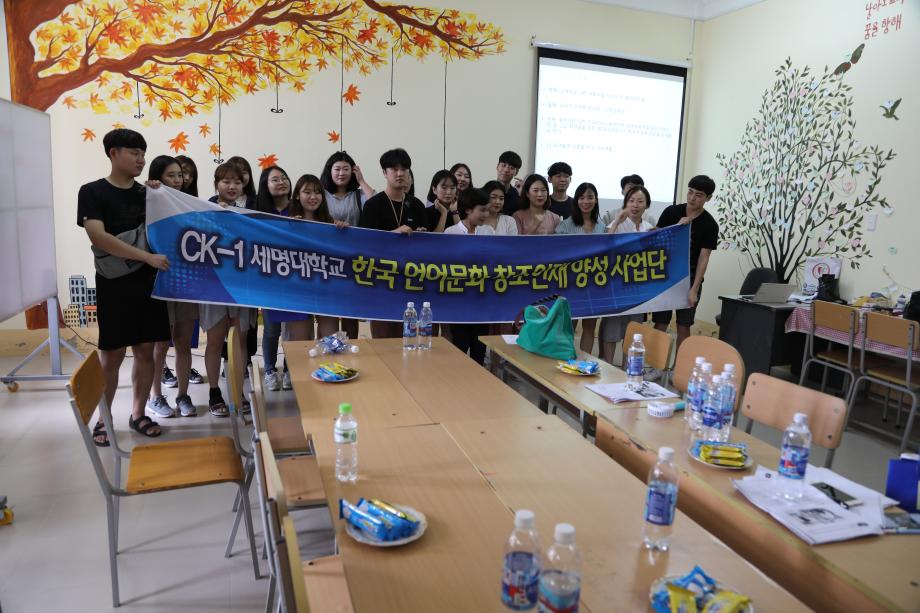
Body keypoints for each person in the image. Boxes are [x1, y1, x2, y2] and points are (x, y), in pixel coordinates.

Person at [77, 128, 170, 444]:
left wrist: (162, 190)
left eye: (143, 154)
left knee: (146, 351)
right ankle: (103, 421)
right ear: (113, 153)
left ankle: (138, 413)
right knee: (112, 355)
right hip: (113, 285)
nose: (141, 160)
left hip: (148, 283)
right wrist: (146, 257)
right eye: (134, 153)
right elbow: (98, 237)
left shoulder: (148, 194)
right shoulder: (92, 192)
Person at [144, 155, 199, 419]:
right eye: (171, 175)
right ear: (158, 177)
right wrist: (149, 190)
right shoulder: (149, 200)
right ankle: (155, 396)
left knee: (184, 343)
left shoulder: (191, 204)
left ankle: (183, 395)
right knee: (160, 346)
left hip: (187, 283)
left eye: (180, 175)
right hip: (161, 282)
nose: (178, 180)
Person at [358, 148, 432, 338]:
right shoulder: (373, 205)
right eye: (394, 169)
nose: (400, 173)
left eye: (404, 169)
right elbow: (364, 243)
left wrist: (421, 235)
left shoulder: (416, 205)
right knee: (382, 338)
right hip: (381, 279)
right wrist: (393, 234)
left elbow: (426, 245)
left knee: (407, 336)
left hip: (410, 279)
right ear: (385, 172)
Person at [200, 162, 252, 416]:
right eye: (226, 181)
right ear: (216, 184)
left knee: (240, 341)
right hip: (213, 286)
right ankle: (214, 393)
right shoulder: (202, 211)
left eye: (237, 182)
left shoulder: (248, 215)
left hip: (241, 287)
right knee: (214, 341)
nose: (232, 186)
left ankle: (238, 392)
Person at [652, 175, 719, 351]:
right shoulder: (671, 212)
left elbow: (704, 258)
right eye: (690, 192)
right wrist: (677, 228)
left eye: (699, 195)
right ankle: (655, 363)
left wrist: (694, 289)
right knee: (660, 323)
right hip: (665, 277)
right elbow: (656, 241)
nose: (692, 197)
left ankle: (679, 365)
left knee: (683, 325)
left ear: (708, 198)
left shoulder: (710, 224)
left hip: (689, 278)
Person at [255, 165, 303, 391]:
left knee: (292, 329)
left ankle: (290, 369)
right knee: (272, 328)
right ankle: (270, 370)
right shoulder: (258, 212)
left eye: (284, 177)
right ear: (266, 185)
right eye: (275, 179)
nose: (281, 182)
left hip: (297, 278)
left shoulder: (299, 208)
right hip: (270, 279)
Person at [600, 185, 656, 364]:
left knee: (633, 332)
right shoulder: (617, 224)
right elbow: (604, 245)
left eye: (640, 201)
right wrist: (617, 221)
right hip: (616, 286)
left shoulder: (649, 227)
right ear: (625, 203)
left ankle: (627, 369)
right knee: (611, 329)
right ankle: (608, 366)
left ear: (647, 205)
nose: (635, 205)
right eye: (631, 201)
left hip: (638, 289)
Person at [291, 174, 348, 338]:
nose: (313, 197)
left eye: (317, 192)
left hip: (325, 288)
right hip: (298, 290)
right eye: (307, 192)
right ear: (297, 195)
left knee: (331, 341)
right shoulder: (288, 224)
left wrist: (344, 232)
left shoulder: (331, 225)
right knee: (300, 345)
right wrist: (290, 227)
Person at [443, 188, 493, 364]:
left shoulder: (489, 232)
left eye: (487, 210)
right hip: (459, 303)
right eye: (482, 210)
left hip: (482, 302)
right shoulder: (451, 233)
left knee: (479, 349)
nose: (486, 214)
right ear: (468, 210)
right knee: (460, 348)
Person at [555, 182, 605, 354]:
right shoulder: (565, 226)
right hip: (571, 284)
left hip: (595, 283)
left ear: (596, 200)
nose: (586, 201)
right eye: (582, 198)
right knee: (569, 325)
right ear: (576, 200)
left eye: (590, 197)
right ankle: (566, 359)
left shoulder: (601, 226)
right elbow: (557, 255)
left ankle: (585, 362)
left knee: (590, 326)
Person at [320, 151, 374, 227]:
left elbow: (377, 204)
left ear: (352, 172)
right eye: (337, 169)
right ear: (330, 171)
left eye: (346, 169)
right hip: (325, 234)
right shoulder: (322, 194)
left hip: (355, 235)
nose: (341, 173)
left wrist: (361, 181)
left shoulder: (358, 195)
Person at [496, 151, 523, 215]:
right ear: (497, 167)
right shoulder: (486, 191)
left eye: (511, 168)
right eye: (503, 165)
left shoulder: (517, 195)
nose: (506, 170)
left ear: (516, 172)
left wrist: (523, 194)